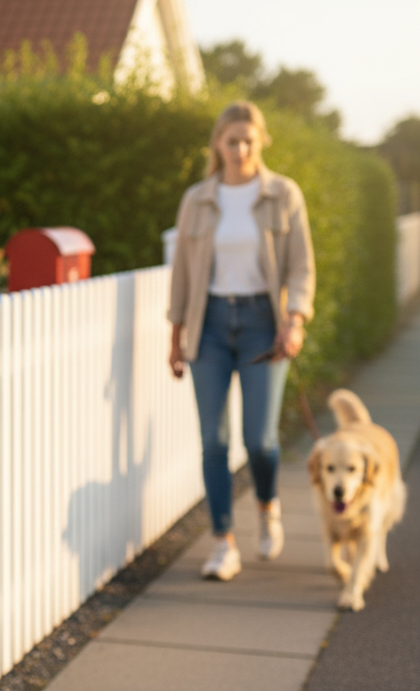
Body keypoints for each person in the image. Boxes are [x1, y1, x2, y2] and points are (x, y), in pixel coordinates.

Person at [168, 101, 315, 581]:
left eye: (249, 140)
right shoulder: (198, 200)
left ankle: (267, 504)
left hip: (261, 322)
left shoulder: (283, 195)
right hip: (207, 324)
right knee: (213, 440)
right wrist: (176, 337)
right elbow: (183, 276)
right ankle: (222, 542)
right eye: (231, 141)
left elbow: (300, 265)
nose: (240, 149)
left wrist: (294, 321)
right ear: (218, 144)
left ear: (261, 141)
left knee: (259, 439)